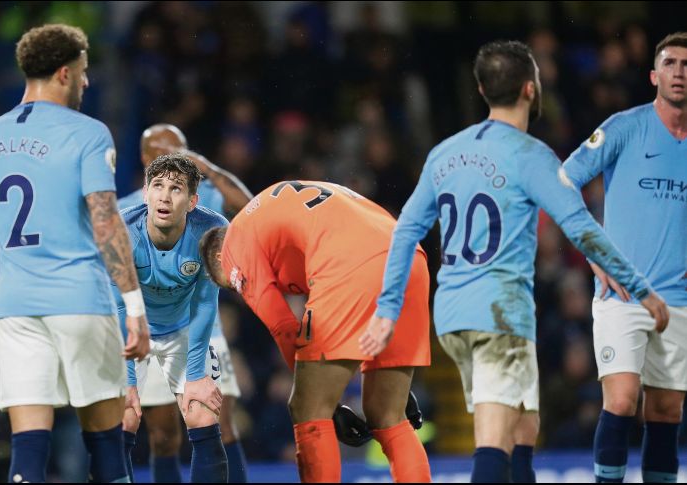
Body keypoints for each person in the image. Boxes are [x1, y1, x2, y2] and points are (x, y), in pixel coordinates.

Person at [363, 40, 670, 484]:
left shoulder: (445, 153)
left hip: (452, 315)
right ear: (531, 88)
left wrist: (388, 310)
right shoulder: (531, 156)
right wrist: (639, 288)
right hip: (499, 316)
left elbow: (406, 230)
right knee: (493, 439)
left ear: (482, 89)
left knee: (523, 428)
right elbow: (580, 226)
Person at [0, 24, 149, 483]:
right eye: (84, 73)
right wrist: (134, 307)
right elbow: (106, 220)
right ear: (65, 73)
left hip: (14, 307)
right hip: (81, 299)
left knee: (27, 449)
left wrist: (12, 287)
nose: (87, 82)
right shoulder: (87, 133)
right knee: (106, 440)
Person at [200, 181, 432, 483]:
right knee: (388, 414)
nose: (239, 288)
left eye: (230, 285)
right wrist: (388, 380)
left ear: (217, 260)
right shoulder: (270, 209)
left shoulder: (232, 248)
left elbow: (282, 325)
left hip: (348, 264)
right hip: (409, 257)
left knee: (307, 408)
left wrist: (326, 402)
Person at [562, 32, 687, 484]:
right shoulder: (624, 127)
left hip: (680, 301)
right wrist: (593, 254)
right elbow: (563, 182)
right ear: (655, 75)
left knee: (667, 411)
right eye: (671, 63)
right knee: (621, 400)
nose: (680, 72)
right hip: (622, 295)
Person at [118, 124, 252, 483]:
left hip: (192, 327)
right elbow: (117, 304)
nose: (165, 195)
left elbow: (206, 301)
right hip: (136, 328)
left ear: (191, 199)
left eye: (183, 149)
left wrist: (195, 376)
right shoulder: (121, 221)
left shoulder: (208, 211)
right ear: (147, 170)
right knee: (142, 424)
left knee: (208, 413)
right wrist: (129, 378)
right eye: (158, 184)